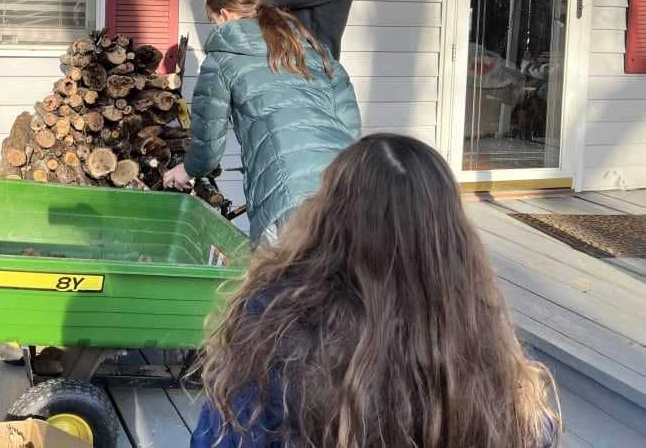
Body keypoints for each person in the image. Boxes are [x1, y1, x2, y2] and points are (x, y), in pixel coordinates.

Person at [191, 133, 560, 448]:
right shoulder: (476, 332)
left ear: (327, 222)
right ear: (452, 239)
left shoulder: (276, 320)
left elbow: (220, 436)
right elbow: (534, 432)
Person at [163, 0, 360, 243]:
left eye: (212, 21)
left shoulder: (223, 60)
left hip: (288, 194)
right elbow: (350, 128)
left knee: (283, 281)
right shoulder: (315, 51)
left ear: (224, 15)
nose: (214, 28)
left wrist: (185, 170)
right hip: (348, 186)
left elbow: (208, 146)